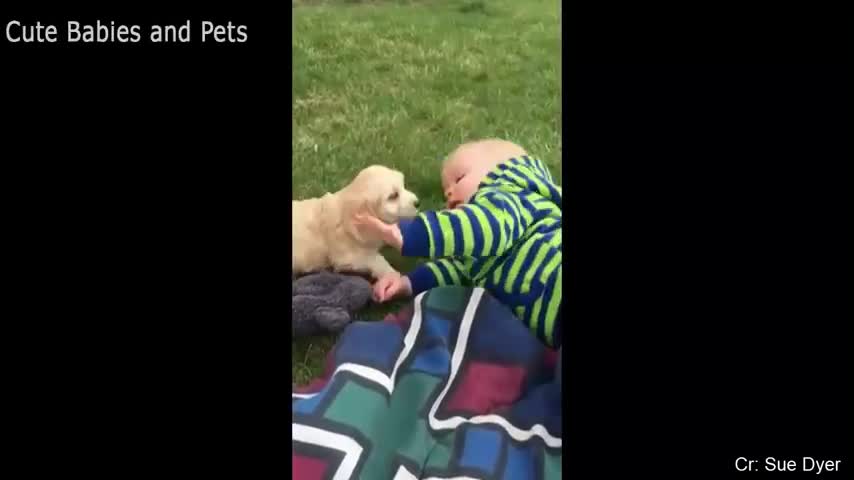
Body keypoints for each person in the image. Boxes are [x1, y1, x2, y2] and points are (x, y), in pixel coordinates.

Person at [354, 139, 563, 352]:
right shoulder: (481, 253)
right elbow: (458, 269)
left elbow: (486, 227)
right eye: (446, 192)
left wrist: (413, 233)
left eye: (459, 178)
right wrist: (408, 283)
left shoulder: (509, 193)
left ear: (501, 167)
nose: (449, 193)